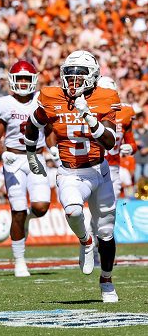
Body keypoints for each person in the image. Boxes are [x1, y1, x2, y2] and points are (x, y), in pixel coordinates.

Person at [25, 50, 120, 303]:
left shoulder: (106, 97)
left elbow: (110, 142)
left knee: (107, 232)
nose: (73, 81)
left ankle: (107, 281)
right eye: (69, 75)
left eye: (80, 76)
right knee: (73, 212)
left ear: (94, 77)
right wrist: (31, 152)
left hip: (99, 171)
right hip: (70, 171)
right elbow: (33, 123)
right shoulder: (51, 96)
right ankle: (84, 241)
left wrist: (89, 116)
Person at [0, 60, 51, 277]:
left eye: (27, 78)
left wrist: (54, 150)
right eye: (20, 78)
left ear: (34, 80)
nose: (23, 82)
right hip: (14, 159)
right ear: (12, 80)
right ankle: (19, 260)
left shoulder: (43, 100)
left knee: (41, 207)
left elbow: (50, 130)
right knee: (17, 211)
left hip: (37, 157)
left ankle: (28, 219)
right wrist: (3, 153)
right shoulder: (4, 104)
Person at [96, 77, 137, 198]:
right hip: (93, 167)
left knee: (110, 210)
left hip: (113, 167)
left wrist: (130, 147)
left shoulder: (125, 111)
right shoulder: (90, 110)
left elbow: (132, 143)